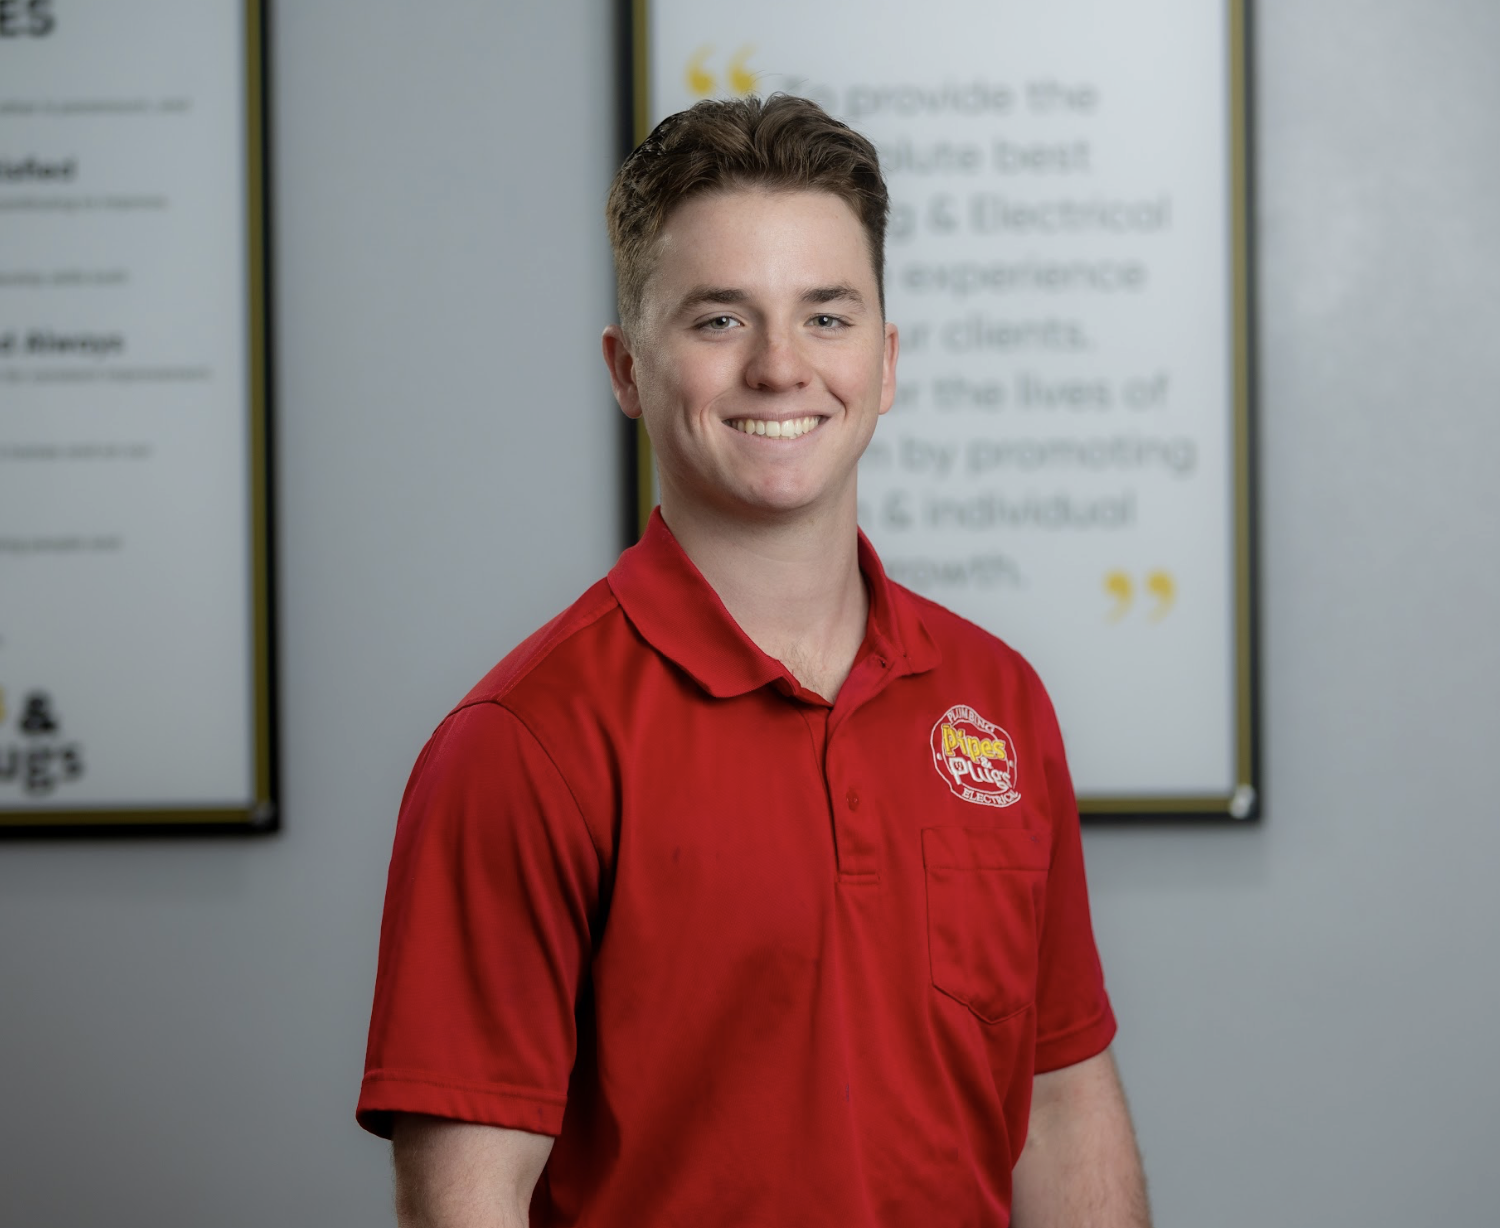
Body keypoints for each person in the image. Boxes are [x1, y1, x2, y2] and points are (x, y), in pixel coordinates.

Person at [357, 93, 1150, 1227]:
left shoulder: (997, 701)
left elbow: (1061, 1102)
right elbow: (466, 1203)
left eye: (826, 316)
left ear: (885, 362)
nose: (781, 367)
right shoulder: (522, 746)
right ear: (626, 370)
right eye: (720, 319)